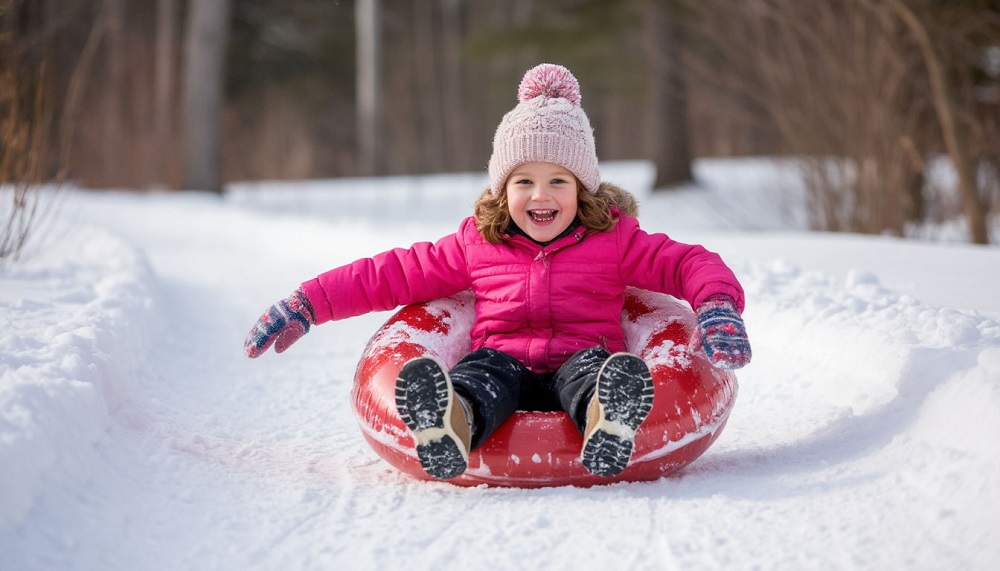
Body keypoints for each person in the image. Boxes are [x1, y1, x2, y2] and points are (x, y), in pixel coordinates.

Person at [244, 63, 751, 480]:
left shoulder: (614, 240)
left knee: (594, 378)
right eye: (523, 180)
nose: (540, 195)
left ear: (583, 190)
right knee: (479, 382)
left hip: (582, 356)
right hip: (501, 359)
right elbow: (391, 273)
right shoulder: (477, 244)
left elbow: (686, 261)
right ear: (502, 190)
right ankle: (448, 423)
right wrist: (309, 302)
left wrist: (716, 304)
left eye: (559, 181)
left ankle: (609, 421)